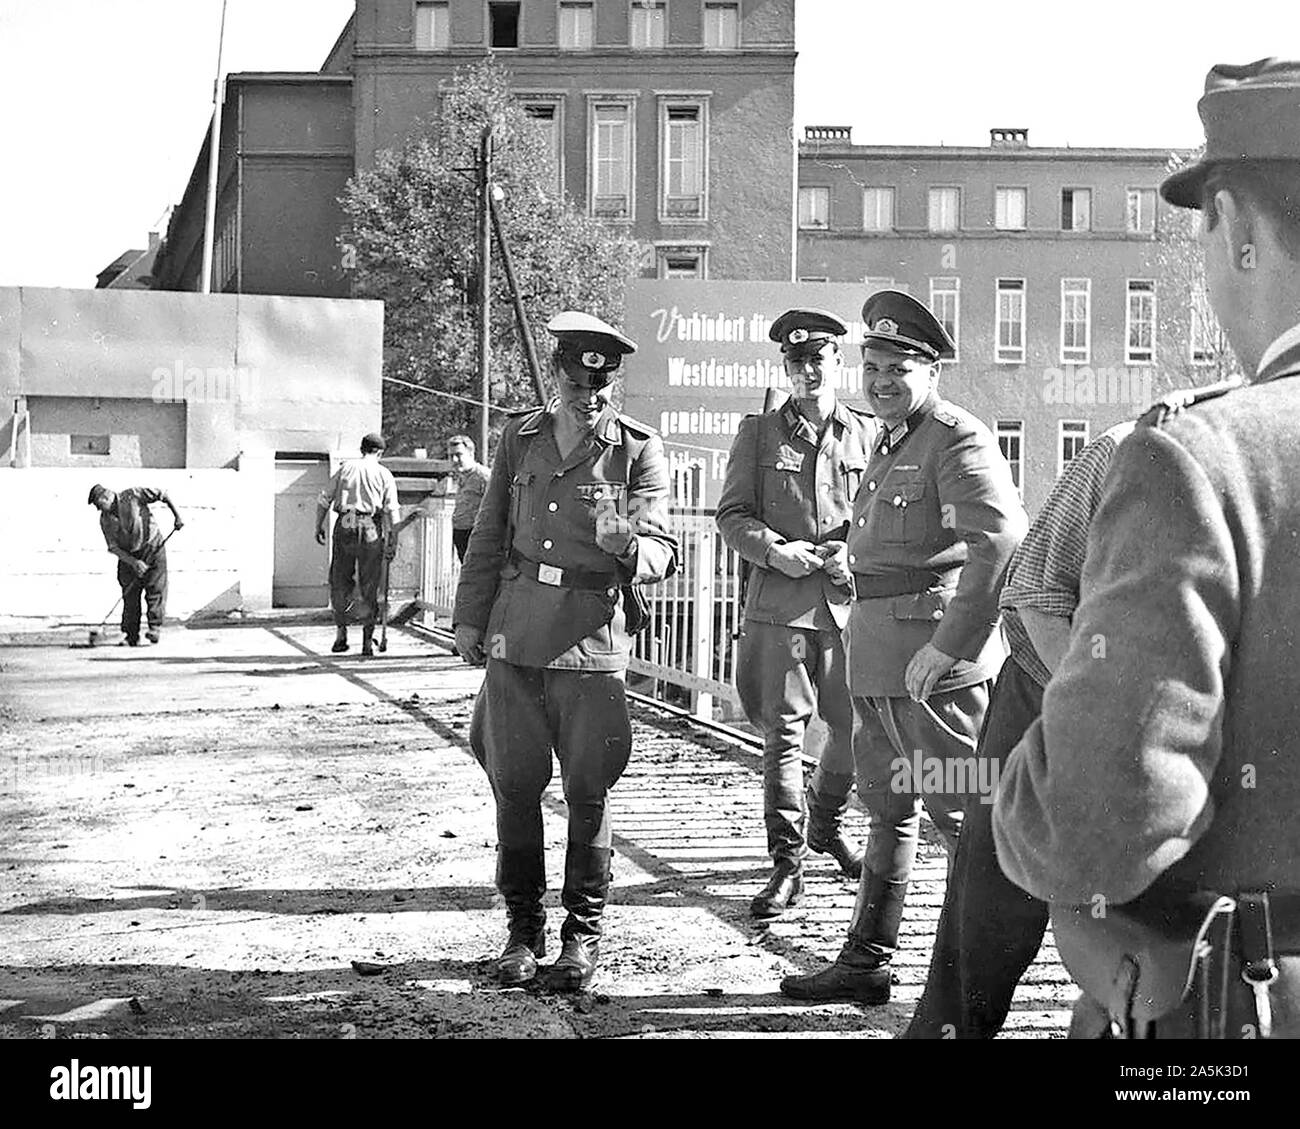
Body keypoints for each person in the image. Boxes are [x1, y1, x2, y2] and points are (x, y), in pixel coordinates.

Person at [994, 57, 1300, 1040]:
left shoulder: (1202, 463)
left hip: (1243, 999)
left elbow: (1092, 823)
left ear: (1237, 231)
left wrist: (1021, 800)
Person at [780, 290, 1026, 1004]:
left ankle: (968, 987)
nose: (882, 380)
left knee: (965, 824)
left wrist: (951, 646)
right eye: (875, 366)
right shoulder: (891, 439)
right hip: (881, 656)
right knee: (888, 808)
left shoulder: (955, 437)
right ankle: (866, 961)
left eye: (899, 368)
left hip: (934, 670)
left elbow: (1000, 544)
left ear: (933, 372)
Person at [453, 311, 679, 992]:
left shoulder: (638, 451)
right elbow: (489, 534)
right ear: (558, 379)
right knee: (514, 787)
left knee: (590, 791)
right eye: (579, 389)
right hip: (517, 638)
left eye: (602, 389)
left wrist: (629, 549)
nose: (591, 401)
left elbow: (664, 551)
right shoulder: (519, 440)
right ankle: (523, 932)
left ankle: (581, 940)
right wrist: (469, 620)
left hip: (590, 641)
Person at [901, 421, 1135, 1038]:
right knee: (996, 880)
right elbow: (1033, 592)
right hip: (1045, 685)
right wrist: (1101, 705)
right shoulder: (1124, 449)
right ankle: (950, 1031)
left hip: (1163, 714)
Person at [715, 308, 877, 919]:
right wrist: (775, 551)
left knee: (855, 728)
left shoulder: (866, 433)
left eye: (819, 359)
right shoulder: (758, 435)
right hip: (779, 607)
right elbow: (731, 516)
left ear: (839, 364)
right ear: (785, 367)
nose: (808, 370)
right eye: (797, 361)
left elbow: (878, 518)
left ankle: (826, 823)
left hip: (846, 607)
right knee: (782, 735)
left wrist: (850, 554)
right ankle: (787, 862)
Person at [316, 432, 401, 657]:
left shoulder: (345, 468)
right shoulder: (383, 473)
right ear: (380, 453)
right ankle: (366, 640)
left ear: (361, 449)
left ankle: (341, 634)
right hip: (369, 523)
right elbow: (392, 509)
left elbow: (324, 498)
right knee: (369, 581)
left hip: (346, 520)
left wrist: (319, 525)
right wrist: (394, 538)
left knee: (340, 579)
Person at [87, 484, 184, 646]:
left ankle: (154, 628)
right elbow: (113, 547)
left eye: (98, 504)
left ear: (106, 497)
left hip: (152, 547)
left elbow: (163, 494)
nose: (99, 509)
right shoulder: (105, 519)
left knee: (155, 588)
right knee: (129, 593)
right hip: (128, 556)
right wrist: (134, 563)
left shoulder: (133, 495)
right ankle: (131, 635)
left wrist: (177, 516)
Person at [448, 434, 491, 563]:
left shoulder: (484, 477)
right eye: (451, 456)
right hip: (462, 534)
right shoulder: (461, 476)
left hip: (478, 537)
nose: (454, 460)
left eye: (459, 455)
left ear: (471, 454)